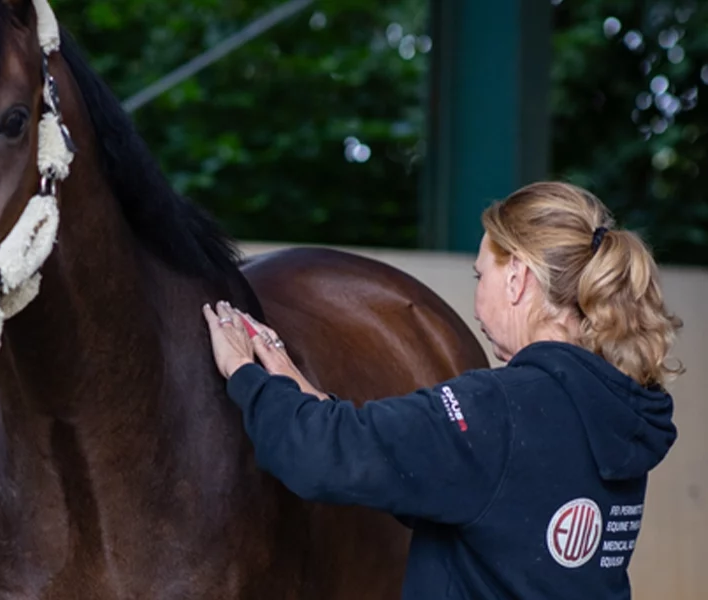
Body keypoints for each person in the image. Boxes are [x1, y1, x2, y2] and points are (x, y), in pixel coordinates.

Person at [202, 181, 683, 599]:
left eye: (482, 275)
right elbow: (455, 480)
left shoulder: (499, 410)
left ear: (516, 278)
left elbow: (316, 456)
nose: (478, 295)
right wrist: (293, 378)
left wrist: (244, 372)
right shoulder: (618, 411)